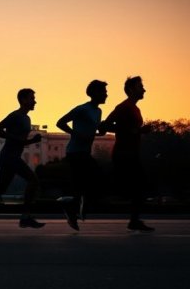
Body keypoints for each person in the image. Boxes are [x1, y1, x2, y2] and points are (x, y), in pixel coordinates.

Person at [0, 89, 44, 229]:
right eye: (31, 98)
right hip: (9, 156)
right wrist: (18, 138)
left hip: (12, 156)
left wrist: (30, 141)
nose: (34, 101)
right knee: (33, 180)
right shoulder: (15, 115)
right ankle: (25, 216)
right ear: (23, 100)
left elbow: (20, 141)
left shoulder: (27, 118)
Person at [101, 76, 155, 233]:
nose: (144, 89)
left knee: (137, 187)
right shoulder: (124, 107)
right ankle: (133, 220)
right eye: (140, 87)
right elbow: (105, 125)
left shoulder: (135, 108)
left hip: (132, 153)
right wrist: (136, 131)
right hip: (123, 154)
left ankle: (134, 220)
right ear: (131, 89)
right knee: (137, 187)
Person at [56, 80, 108, 231]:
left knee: (85, 184)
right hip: (75, 152)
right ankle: (73, 206)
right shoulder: (82, 109)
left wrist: (101, 132)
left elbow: (93, 129)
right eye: (104, 92)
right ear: (95, 93)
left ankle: (71, 207)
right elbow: (60, 122)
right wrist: (76, 134)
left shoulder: (98, 112)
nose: (106, 95)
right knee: (92, 179)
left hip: (84, 152)